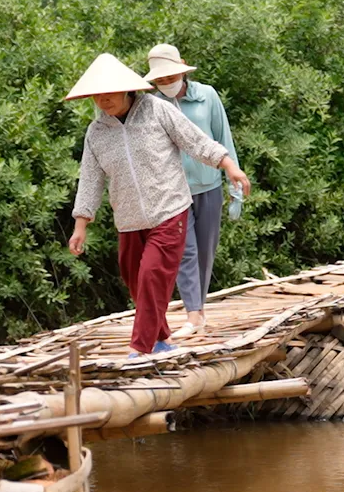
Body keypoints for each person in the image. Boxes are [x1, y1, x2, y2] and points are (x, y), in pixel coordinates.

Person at [65, 53, 252, 358]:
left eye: (108, 92)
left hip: (169, 211)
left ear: (126, 88)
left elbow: (196, 141)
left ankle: (140, 347)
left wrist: (228, 165)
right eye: (96, 95)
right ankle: (163, 339)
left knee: (152, 275)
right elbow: (90, 178)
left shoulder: (156, 110)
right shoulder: (96, 132)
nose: (102, 100)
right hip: (128, 220)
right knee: (135, 281)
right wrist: (80, 225)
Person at [145, 43, 243, 339]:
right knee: (183, 251)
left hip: (209, 185)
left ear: (183, 68)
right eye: (160, 81)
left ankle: (198, 310)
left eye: (169, 78)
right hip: (173, 192)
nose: (166, 84)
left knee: (204, 251)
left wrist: (234, 188)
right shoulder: (151, 105)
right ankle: (193, 314)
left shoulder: (207, 96)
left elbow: (222, 138)